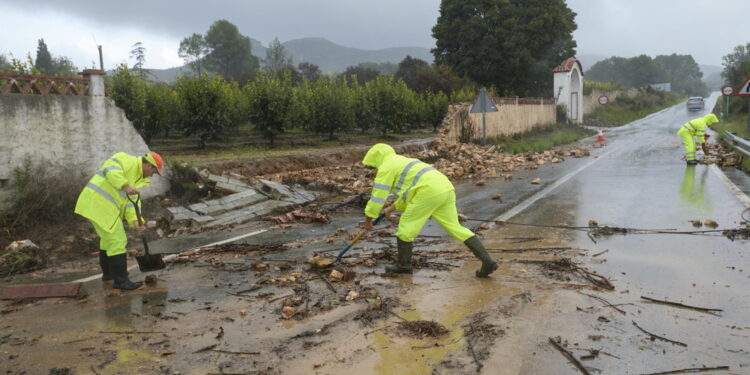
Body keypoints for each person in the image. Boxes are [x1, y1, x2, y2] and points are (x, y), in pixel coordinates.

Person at [360, 143, 497, 277]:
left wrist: (368, 220)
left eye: (372, 166)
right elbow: (409, 191)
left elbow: (377, 197)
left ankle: (403, 266)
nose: (373, 169)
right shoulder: (403, 161)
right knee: (455, 227)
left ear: (376, 159)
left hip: (427, 191)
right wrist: (392, 207)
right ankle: (487, 261)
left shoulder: (386, 167)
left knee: (406, 229)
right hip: (445, 187)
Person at [74, 151, 164, 291]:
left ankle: (109, 275)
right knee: (117, 240)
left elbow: (131, 203)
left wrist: (136, 221)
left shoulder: (139, 179)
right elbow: (109, 169)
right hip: (98, 204)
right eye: (154, 171)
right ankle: (121, 282)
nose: (153, 174)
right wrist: (125, 185)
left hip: (101, 207)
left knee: (107, 241)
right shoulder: (126, 159)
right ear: (147, 165)